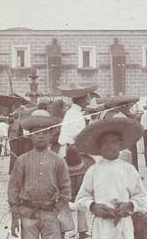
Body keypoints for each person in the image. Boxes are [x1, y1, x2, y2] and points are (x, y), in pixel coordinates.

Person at [75, 117, 147, 239]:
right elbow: (81, 199)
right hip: (102, 227)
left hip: (124, 225)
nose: (110, 146)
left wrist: (130, 205)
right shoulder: (93, 171)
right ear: (99, 146)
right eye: (105, 142)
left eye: (114, 142)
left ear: (120, 144)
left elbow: (145, 199)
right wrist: (93, 206)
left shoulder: (128, 170)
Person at [8, 110, 72, 239]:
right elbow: (13, 188)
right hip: (28, 214)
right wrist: (15, 214)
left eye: (45, 133)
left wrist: (58, 207)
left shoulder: (58, 160)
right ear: (31, 135)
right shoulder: (22, 160)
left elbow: (66, 188)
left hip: (50, 213)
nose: (41, 136)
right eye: (37, 133)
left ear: (51, 135)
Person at [57, 83, 98, 239]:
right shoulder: (73, 114)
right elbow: (76, 136)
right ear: (80, 98)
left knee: (81, 189)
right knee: (69, 190)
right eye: (87, 96)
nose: (88, 98)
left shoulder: (76, 113)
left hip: (75, 152)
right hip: (70, 153)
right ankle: (66, 228)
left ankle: (81, 229)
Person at [103, 95, 141, 170]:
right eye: (124, 106)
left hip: (131, 141)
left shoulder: (128, 115)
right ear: (119, 107)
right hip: (123, 142)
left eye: (127, 106)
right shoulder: (117, 117)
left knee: (133, 160)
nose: (126, 107)